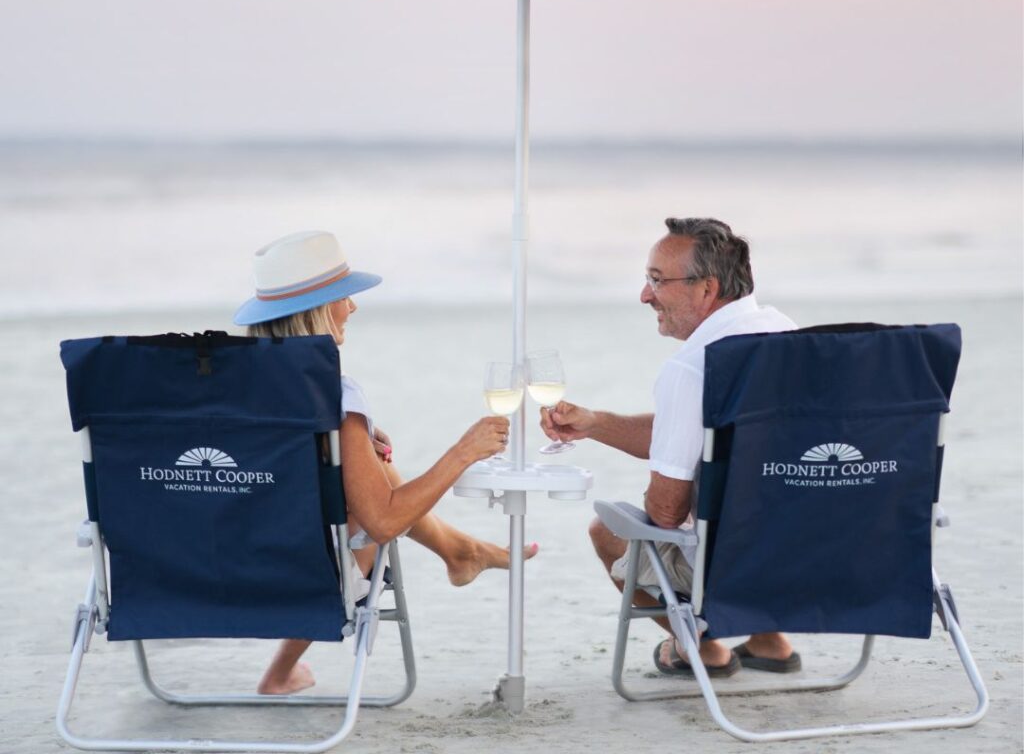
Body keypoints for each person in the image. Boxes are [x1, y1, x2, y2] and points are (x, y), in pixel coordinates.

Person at [233, 229, 538, 695]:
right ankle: (460, 551)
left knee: (358, 475)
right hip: (304, 578)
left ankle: (459, 551)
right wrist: (464, 452)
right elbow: (385, 521)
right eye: (343, 297)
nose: (352, 307)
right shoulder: (330, 397)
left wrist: (344, 451)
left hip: (206, 573)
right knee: (364, 511)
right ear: (315, 310)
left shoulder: (217, 393)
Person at [540, 217, 801, 678]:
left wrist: (675, 507)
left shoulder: (695, 367)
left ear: (706, 289)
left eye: (657, 281)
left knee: (610, 531)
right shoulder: (789, 337)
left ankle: (702, 648)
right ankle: (768, 641)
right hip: (816, 553)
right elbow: (708, 432)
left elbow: (663, 514)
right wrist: (596, 423)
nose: (645, 296)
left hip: (736, 565)